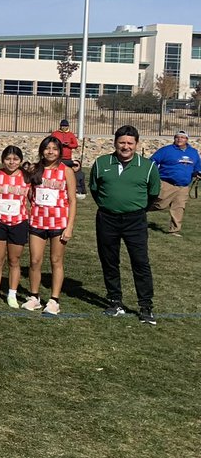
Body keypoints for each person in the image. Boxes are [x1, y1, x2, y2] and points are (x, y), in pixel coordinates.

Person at [90, 125, 160, 324]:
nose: (126, 146)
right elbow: (95, 189)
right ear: (115, 143)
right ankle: (115, 301)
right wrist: (109, 205)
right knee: (109, 260)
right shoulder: (101, 163)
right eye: (122, 142)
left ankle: (145, 306)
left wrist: (135, 208)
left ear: (136, 144)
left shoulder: (148, 166)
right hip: (107, 218)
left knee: (140, 262)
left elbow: (153, 193)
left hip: (135, 220)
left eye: (130, 143)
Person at [24, 136, 75, 315]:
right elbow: (28, 192)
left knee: (56, 261)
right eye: (47, 148)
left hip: (58, 223)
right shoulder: (34, 169)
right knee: (34, 260)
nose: (50, 152)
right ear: (42, 150)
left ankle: (54, 300)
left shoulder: (66, 171)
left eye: (54, 148)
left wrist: (69, 226)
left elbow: (72, 200)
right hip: (37, 221)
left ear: (60, 151)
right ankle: (34, 296)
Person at [0, 145, 30, 309]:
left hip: (19, 222)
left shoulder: (27, 177)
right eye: (8, 159)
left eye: (15, 159)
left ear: (21, 161)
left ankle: (12, 294)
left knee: (14, 260)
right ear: (3, 160)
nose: (12, 162)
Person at [149, 130, 201, 235]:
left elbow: (197, 166)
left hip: (184, 186)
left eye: (182, 137)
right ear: (174, 139)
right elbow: (152, 161)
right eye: (177, 137)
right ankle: (139, 210)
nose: (179, 139)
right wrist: (154, 174)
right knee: (160, 205)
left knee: (179, 208)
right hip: (167, 184)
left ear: (186, 139)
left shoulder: (193, 152)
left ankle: (174, 230)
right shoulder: (166, 150)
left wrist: (197, 173)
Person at [52, 118, 86, 197]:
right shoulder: (55, 133)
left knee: (68, 173)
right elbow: (51, 142)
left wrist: (68, 145)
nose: (64, 128)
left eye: (65, 126)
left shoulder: (71, 134)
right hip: (57, 157)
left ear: (68, 126)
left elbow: (75, 145)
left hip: (67, 158)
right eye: (62, 126)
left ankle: (69, 188)